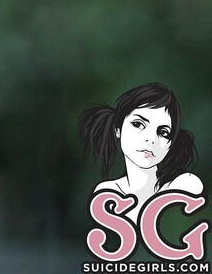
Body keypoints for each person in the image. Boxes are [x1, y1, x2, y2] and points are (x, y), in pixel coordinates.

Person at [84, 83, 204, 225]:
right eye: (138, 124)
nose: (151, 139)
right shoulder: (107, 193)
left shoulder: (185, 185)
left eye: (163, 132)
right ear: (118, 129)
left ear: (171, 143)